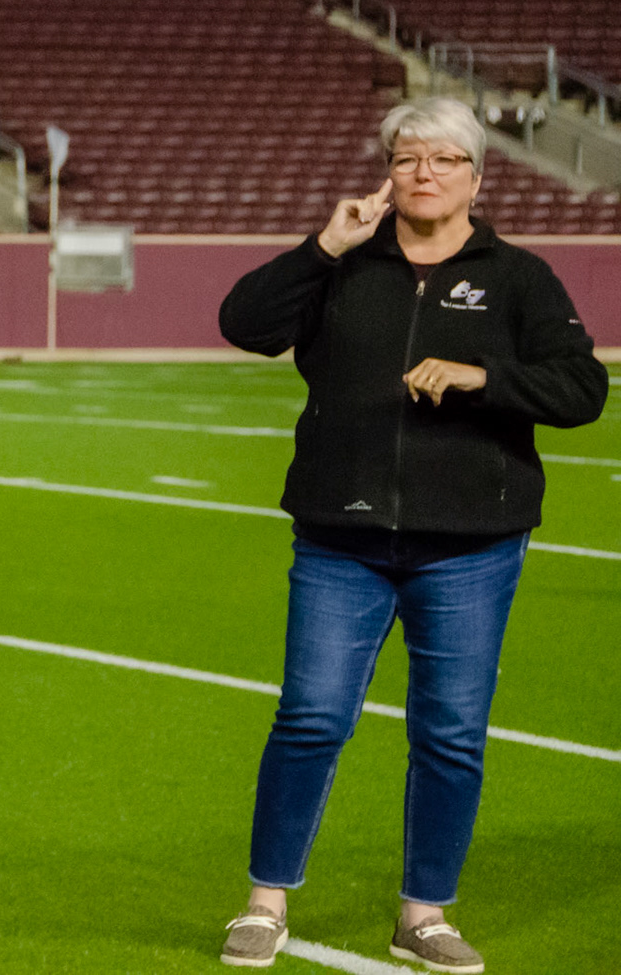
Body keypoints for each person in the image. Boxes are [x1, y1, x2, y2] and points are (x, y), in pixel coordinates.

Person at [215, 97, 608, 973]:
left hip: (470, 544)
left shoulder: (517, 276)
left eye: (442, 159)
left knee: (451, 732)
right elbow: (243, 323)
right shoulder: (345, 265)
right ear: (387, 174)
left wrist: (483, 375)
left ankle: (423, 913)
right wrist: (325, 246)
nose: (423, 172)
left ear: (476, 175)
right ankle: (265, 898)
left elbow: (583, 391)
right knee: (312, 717)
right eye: (407, 158)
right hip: (340, 538)